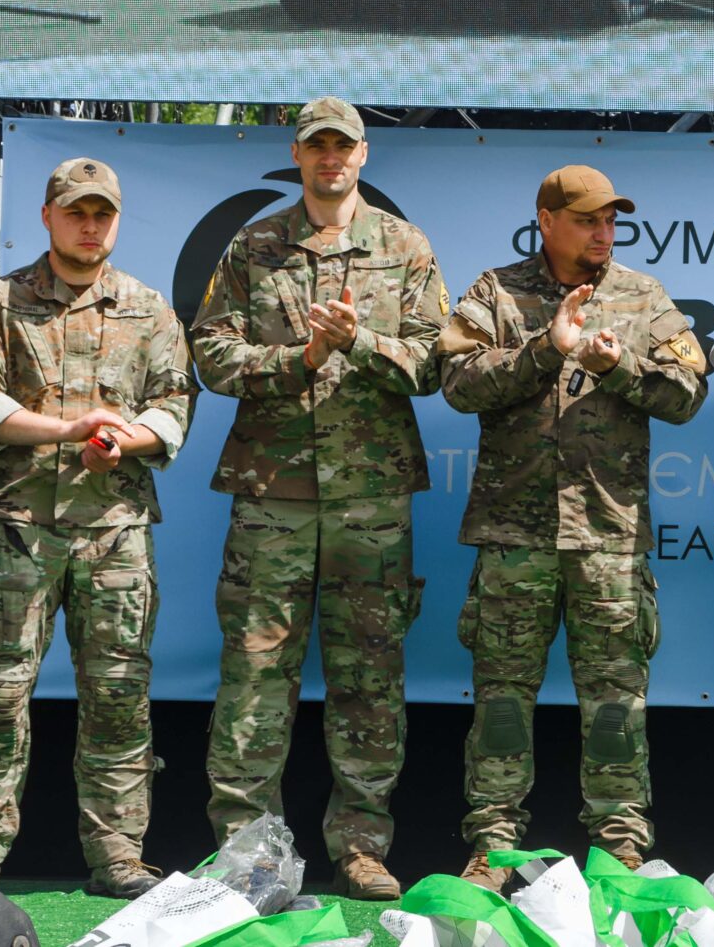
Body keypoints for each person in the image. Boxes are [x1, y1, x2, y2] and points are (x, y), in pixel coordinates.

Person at [191, 98, 448, 900]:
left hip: (371, 500)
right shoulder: (255, 245)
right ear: (298, 154)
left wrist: (358, 343)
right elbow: (211, 353)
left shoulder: (404, 245)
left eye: (343, 144)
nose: (330, 156)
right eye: (317, 145)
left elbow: (438, 363)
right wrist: (299, 357)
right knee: (253, 678)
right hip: (273, 495)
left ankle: (362, 848)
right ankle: (246, 853)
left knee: (369, 679)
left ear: (363, 154)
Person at [437, 166, 708, 883]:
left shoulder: (641, 295)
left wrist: (620, 368)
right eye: (588, 219)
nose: (603, 232)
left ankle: (620, 850)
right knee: (501, 705)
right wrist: (546, 349)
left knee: (616, 706)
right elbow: (456, 382)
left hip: (607, 537)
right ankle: (493, 848)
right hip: (513, 536)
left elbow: (689, 393)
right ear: (547, 220)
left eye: (611, 220)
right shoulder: (497, 292)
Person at [0, 158, 195, 896]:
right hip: (14, 528)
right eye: (77, 212)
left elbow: (174, 403)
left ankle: (118, 854)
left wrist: (125, 439)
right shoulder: (0, 301)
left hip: (113, 530)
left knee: (118, 694)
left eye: (102, 214)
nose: (90, 226)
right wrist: (65, 429)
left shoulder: (148, 308)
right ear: (48, 216)